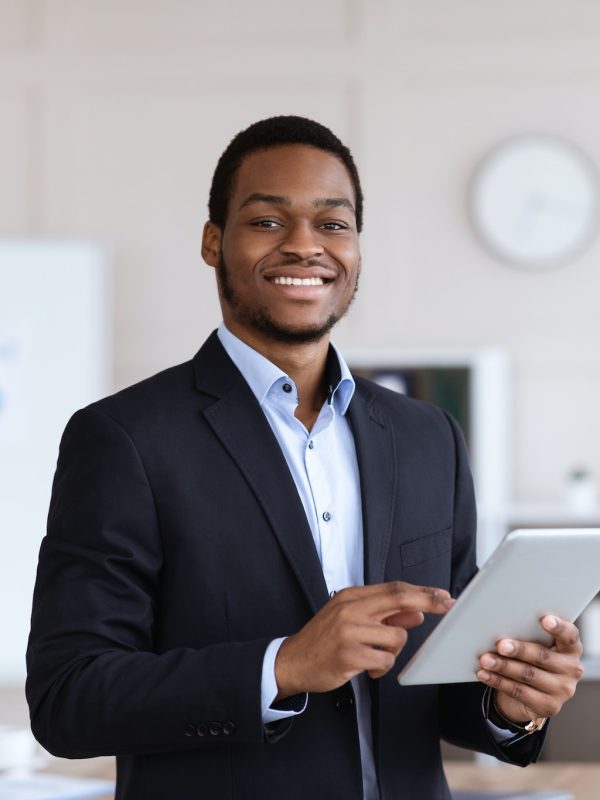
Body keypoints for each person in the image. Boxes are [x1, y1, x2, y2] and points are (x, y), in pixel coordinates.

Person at [26, 116, 583, 800]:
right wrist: (282, 667)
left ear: (355, 247)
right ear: (213, 242)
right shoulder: (124, 439)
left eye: (333, 223)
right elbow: (68, 699)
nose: (304, 245)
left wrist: (511, 705)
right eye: (266, 221)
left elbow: (441, 685)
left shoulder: (427, 435)